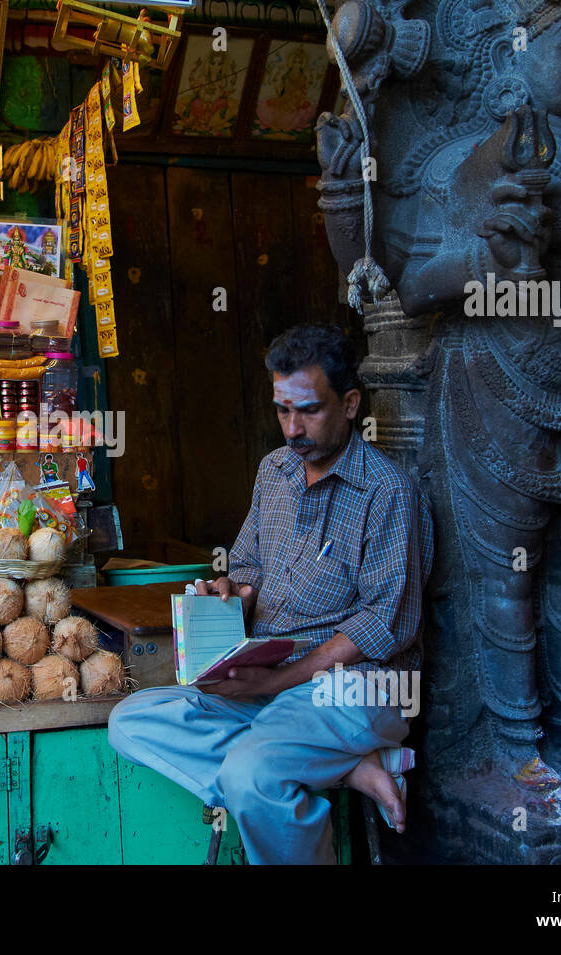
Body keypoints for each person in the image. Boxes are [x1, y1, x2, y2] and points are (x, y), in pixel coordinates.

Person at [109, 324, 434, 865]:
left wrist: (280, 678)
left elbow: (387, 623)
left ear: (351, 404)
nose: (292, 428)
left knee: (249, 773)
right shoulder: (273, 472)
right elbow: (250, 566)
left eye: (307, 410)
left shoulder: (388, 491)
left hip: (354, 688)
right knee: (132, 721)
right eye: (282, 410)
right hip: (270, 685)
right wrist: (230, 594)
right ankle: (350, 767)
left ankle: (296, 761)